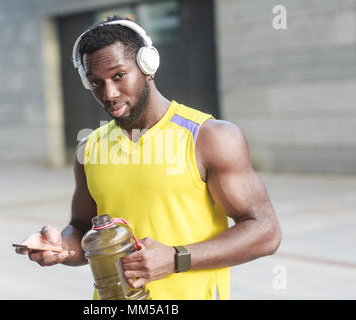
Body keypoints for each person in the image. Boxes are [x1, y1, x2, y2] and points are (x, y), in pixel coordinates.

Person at [15, 16, 282, 300]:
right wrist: (59, 247)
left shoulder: (208, 136)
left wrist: (177, 258)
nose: (109, 94)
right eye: (95, 82)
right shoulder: (89, 148)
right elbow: (83, 231)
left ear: (147, 66)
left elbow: (265, 231)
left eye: (118, 75)